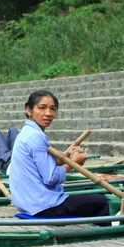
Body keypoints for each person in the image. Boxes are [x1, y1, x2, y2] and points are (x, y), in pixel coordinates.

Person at [9, 90, 109, 219]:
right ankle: (100, 236)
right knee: (100, 201)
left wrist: (66, 157)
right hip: (43, 206)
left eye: (52, 109)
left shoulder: (26, 132)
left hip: (28, 204)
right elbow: (51, 178)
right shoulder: (36, 136)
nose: (48, 113)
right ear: (29, 110)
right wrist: (73, 164)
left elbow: (41, 165)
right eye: (42, 108)